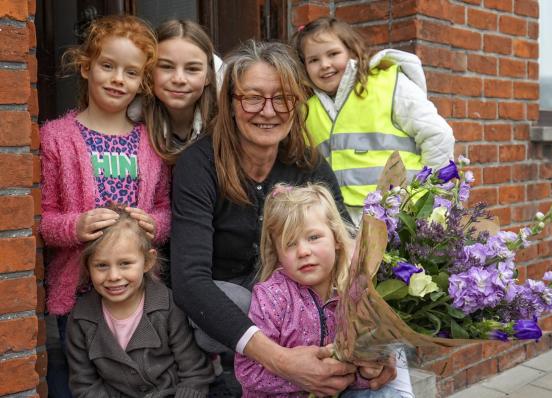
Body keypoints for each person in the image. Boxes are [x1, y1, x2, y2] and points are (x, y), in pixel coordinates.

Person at [170, 40, 395, 397]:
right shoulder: (199, 166)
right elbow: (188, 280)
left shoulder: (306, 163)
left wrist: (379, 348)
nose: (269, 111)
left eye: (282, 98)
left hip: (301, 305)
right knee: (242, 301)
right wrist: (283, 361)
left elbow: (348, 247)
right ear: (230, 104)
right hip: (233, 314)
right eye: (253, 97)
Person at [39, 15, 170, 397]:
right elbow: (42, 218)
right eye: (107, 66)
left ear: (142, 81)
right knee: (86, 386)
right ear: (86, 67)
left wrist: (155, 224)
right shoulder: (56, 138)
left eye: (131, 73)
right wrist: (75, 227)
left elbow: (165, 208)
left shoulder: (149, 142)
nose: (118, 79)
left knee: (139, 380)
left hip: (137, 293)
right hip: (78, 295)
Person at [235, 183, 414, 398]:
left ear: (337, 238)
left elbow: (363, 361)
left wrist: (367, 371)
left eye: (313, 237)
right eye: (290, 244)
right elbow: (248, 371)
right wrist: (300, 377)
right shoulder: (272, 296)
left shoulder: (355, 291)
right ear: (278, 253)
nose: (303, 251)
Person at [293, 16, 455, 223]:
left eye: (333, 54)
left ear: (352, 52)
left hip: (402, 218)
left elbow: (438, 135)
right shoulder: (307, 110)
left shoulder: (387, 84)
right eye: (313, 60)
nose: (324, 65)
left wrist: (432, 198)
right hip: (341, 224)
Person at [66, 206, 214, 397]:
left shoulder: (169, 307)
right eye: (101, 265)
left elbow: (194, 374)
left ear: (148, 261)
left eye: (125, 263)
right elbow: (85, 385)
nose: (113, 276)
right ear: (88, 266)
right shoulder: (81, 319)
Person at [128, 19, 224, 164]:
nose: (179, 79)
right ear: (148, 70)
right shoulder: (133, 120)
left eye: (192, 69)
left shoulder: (224, 121)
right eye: (166, 66)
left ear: (209, 76)